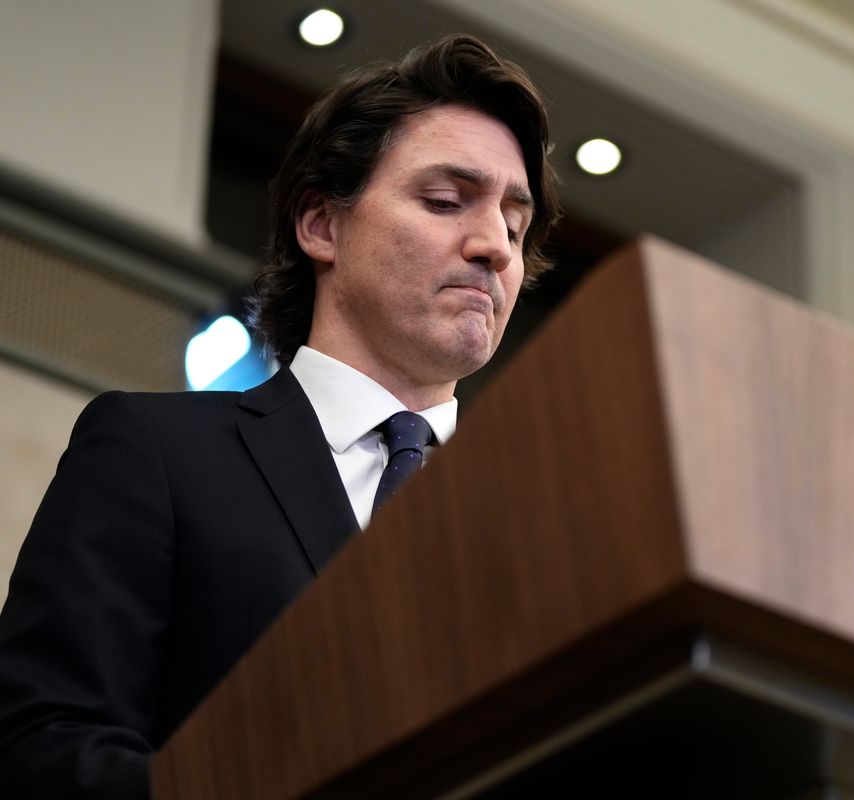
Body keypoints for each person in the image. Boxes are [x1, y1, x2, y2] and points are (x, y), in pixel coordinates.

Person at [0, 34, 561, 799]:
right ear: (321, 225)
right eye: (445, 200)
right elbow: (40, 748)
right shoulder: (155, 452)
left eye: (516, 224)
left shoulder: (545, 531)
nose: (494, 245)